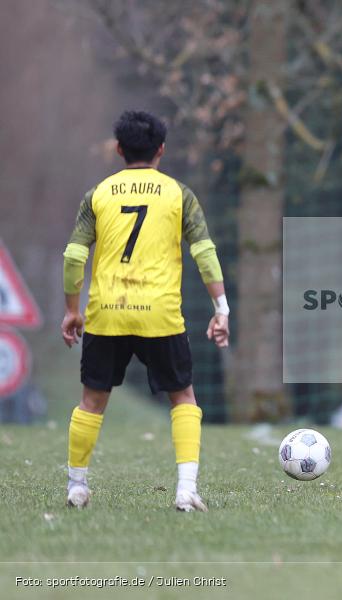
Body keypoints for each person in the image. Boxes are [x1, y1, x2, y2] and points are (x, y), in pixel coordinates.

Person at [60, 110, 230, 511]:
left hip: (107, 313)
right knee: (183, 397)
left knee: (92, 401)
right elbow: (204, 252)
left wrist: (72, 310)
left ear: (119, 149)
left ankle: (76, 486)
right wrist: (221, 307)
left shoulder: (98, 194)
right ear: (161, 150)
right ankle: (186, 491)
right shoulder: (178, 194)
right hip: (159, 315)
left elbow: (73, 255)